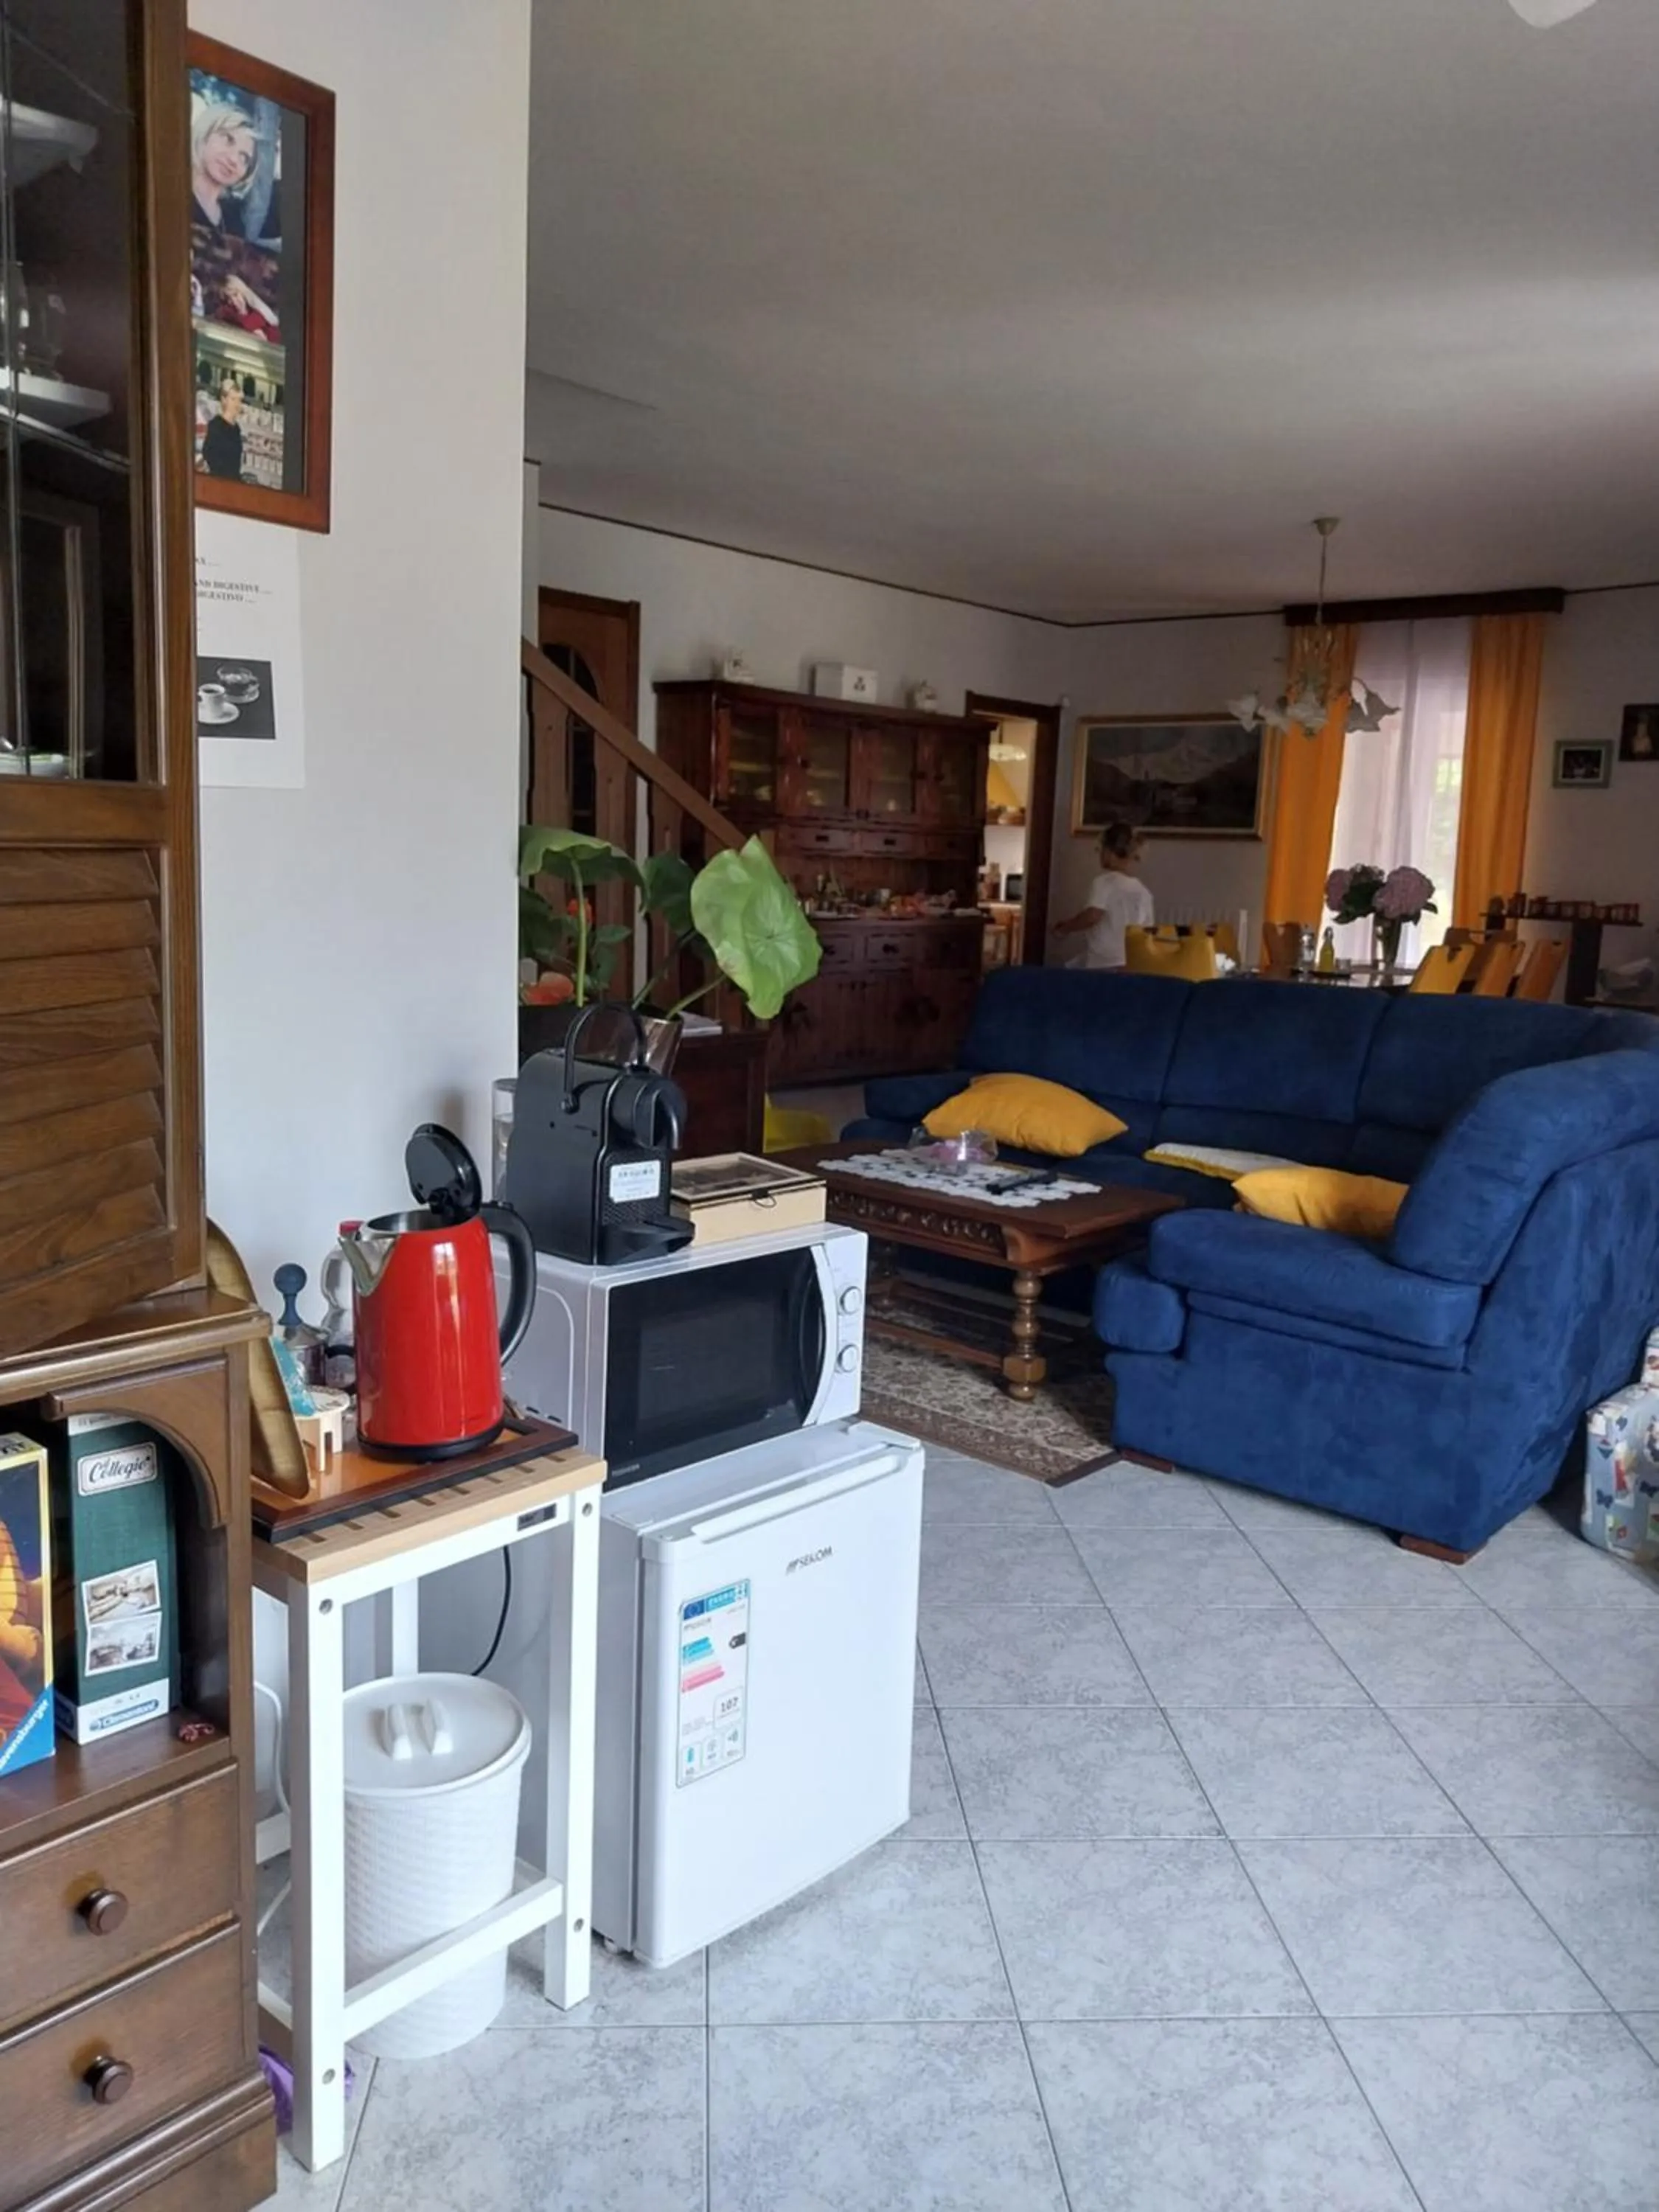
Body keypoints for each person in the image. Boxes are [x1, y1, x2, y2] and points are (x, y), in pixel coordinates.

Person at [1051, 821, 1154, 969]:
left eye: (1100, 849)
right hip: (1130, 961)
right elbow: (1147, 930)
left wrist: (1065, 928)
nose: (1099, 854)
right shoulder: (1144, 892)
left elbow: (1092, 915)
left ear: (1109, 852)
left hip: (1102, 962)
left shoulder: (1104, 882)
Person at [191, 100, 259, 234]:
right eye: (229, 140)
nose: (234, 160)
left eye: (244, 157)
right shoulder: (172, 192)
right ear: (206, 132)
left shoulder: (234, 221)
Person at [199, 376, 245, 479]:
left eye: (239, 400)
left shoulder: (236, 429)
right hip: (219, 483)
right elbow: (208, 453)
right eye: (233, 399)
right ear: (224, 400)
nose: (237, 404)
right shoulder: (216, 426)